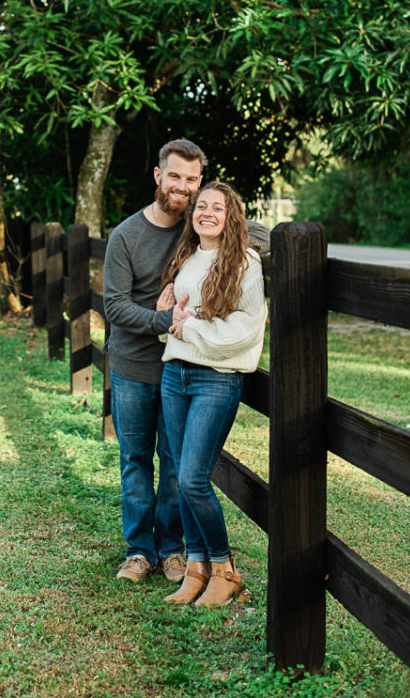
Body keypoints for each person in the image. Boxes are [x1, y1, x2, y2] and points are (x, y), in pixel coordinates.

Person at [103, 140, 269, 584]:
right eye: (174, 176)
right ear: (158, 176)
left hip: (183, 365)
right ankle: (139, 550)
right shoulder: (126, 236)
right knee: (136, 459)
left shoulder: (198, 226)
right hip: (134, 367)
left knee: (177, 464)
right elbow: (115, 306)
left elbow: (260, 235)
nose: (182, 186)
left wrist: (261, 239)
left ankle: (174, 549)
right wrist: (164, 318)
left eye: (191, 180)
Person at [157, 180, 267, 606]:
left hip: (215, 379)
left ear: (230, 216)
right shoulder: (186, 258)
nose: (206, 213)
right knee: (182, 478)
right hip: (175, 375)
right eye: (201, 206)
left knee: (193, 478)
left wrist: (191, 327)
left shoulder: (245, 263)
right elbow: (175, 311)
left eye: (216, 208)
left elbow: (246, 329)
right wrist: (167, 310)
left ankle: (225, 569)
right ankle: (197, 567)